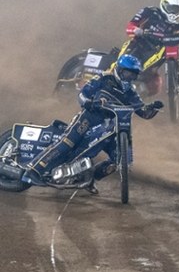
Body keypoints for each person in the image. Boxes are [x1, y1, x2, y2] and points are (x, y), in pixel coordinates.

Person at [22, 54, 164, 193]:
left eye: (133, 75)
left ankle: (90, 179)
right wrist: (89, 102)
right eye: (128, 73)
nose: (130, 77)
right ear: (120, 70)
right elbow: (83, 94)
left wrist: (154, 108)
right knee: (67, 142)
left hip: (111, 127)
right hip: (88, 118)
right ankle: (33, 170)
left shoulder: (131, 92)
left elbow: (143, 112)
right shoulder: (103, 78)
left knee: (116, 160)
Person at [115, 0, 179, 96]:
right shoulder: (150, 11)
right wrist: (137, 30)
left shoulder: (178, 27)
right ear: (164, 4)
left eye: (176, 9)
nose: (173, 12)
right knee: (121, 64)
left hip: (156, 58)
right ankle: (107, 76)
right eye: (171, 8)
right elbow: (130, 26)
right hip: (139, 45)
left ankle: (135, 98)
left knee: (156, 85)